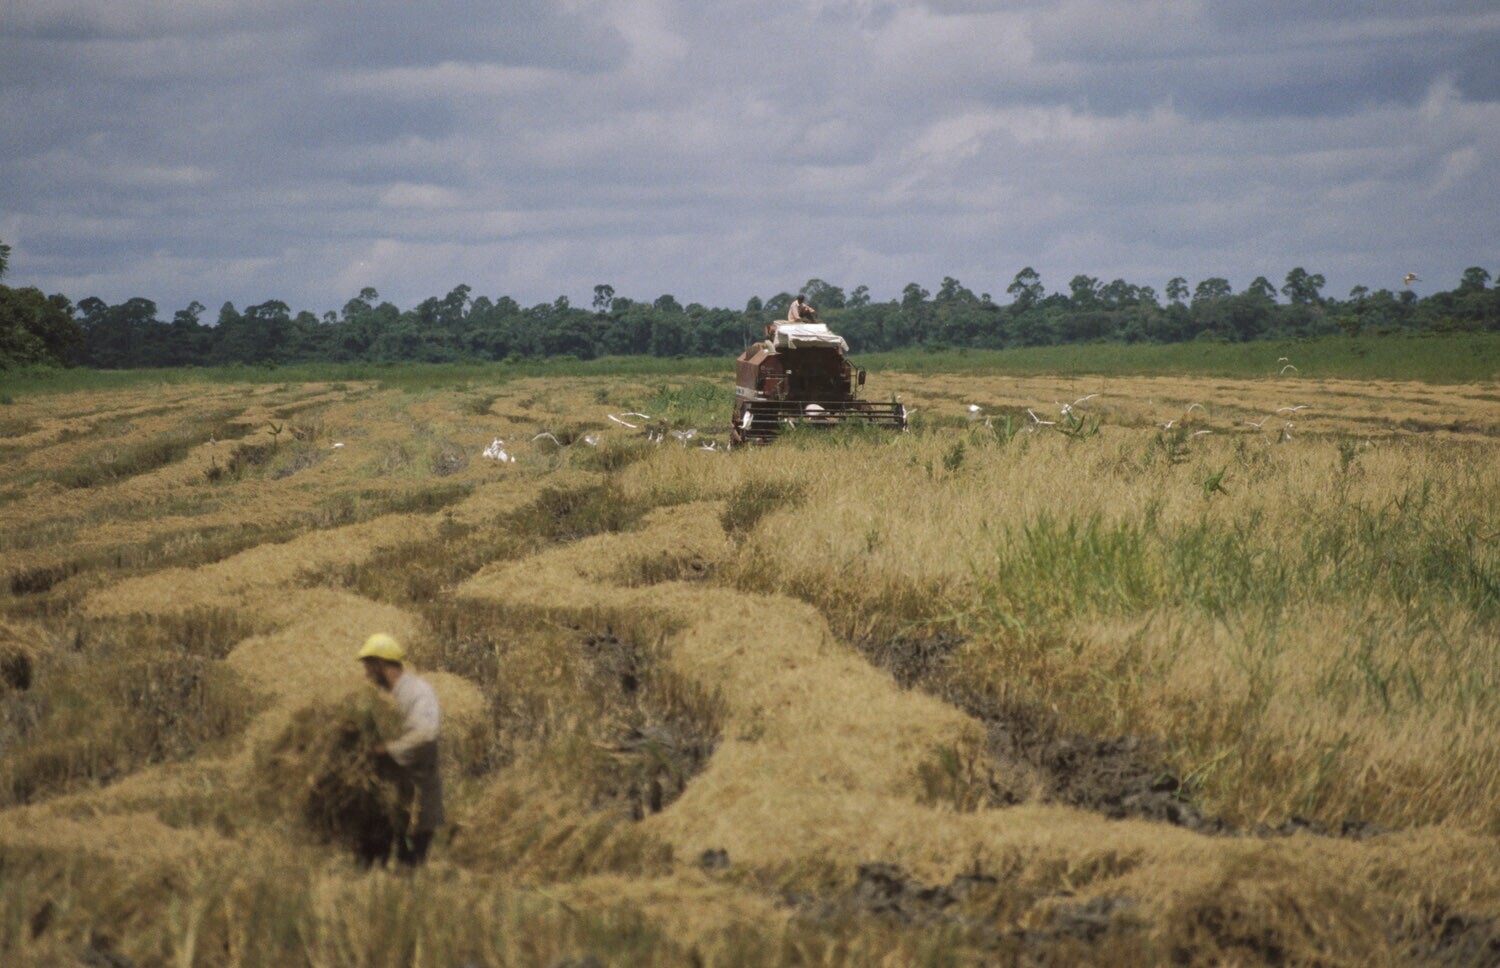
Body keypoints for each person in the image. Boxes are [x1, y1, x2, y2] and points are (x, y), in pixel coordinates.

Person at [357, 632, 443, 866]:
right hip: (389, 791)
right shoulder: (381, 695)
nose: (366, 673)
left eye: (368, 667)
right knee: (374, 858)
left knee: (411, 862)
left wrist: (386, 749)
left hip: (417, 788)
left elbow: (425, 735)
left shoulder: (418, 692)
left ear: (380, 664)